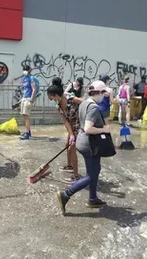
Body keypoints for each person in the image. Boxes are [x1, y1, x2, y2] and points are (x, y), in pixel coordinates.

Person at [56, 80, 110, 215]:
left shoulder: (84, 102)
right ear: (99, 92)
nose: (104, 96)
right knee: (91, 175)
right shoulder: (93, 107)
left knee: (95, 170)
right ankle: (65, 195)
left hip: (83, 141)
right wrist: (104, 129)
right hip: (89, 144)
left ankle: (93, 199)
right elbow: (88, 128)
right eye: (104, 93)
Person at [47, 82, 82, 182]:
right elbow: (66, 121)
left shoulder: (72, 99)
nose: (51, 101)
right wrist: (71, 134)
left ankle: (76, 176)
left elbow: (86, 103)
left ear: (56, 95)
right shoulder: (58, 106)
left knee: (72, 148)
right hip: (71, 126)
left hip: (80, 126)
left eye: (51, 98)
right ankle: (70, 166)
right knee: (67, 145)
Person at [19, 65, 38, 140]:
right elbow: (23, 87)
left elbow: (34, 89)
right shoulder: (25, 78)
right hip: (24, 98)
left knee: (26, 116)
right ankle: (28, 131)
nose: (24, 71)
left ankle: (27, 133)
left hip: (28, 99)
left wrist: (31, 99)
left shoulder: (31, 78)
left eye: (26, 69)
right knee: (24, 116)